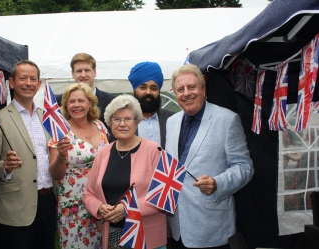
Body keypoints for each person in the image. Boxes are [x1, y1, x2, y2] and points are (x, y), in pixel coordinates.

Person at [165, 64, 254, 249]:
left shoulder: (227, 120)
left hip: (211, 229)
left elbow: (244, 166)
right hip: (177, 228)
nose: (186, 93)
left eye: (192, 87)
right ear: (175, 93)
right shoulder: (171, 122)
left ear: (203, 89)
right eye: (180, 89)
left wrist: (218, 183)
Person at [0, 60, 56, 249]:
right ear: (11, 82)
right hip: (14, 210)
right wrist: (3, 166)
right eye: (23, 78)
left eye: (33, 79)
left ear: (38, 84)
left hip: (47, 204)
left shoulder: (47, 117)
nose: (28, 83)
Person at [83, 95, 167, 249]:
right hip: (113, 234)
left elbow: (163, 196)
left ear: (136, 122)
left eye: (127, 119)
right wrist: (99, 206)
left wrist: (127, 209)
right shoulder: (103, 153)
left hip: (147, 236)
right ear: (109, 123)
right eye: (116, 119)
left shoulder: (154, 150)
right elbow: (88, 194)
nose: (122, 124)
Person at [49, 83, 109, 249]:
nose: (76, 105)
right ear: (66, 105)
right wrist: (61, 156)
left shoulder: (100, 126)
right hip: (73, 207)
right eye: (71, 101)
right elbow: (55, 173)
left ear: (90, 103)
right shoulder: (60, 131)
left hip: (101, 204)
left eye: (81, 100)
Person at [128, 61, 174, 149]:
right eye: (143, 87)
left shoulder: (172, 119)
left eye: (153, 88)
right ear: (134, 90)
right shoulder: (124, 122)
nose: (148, 92)